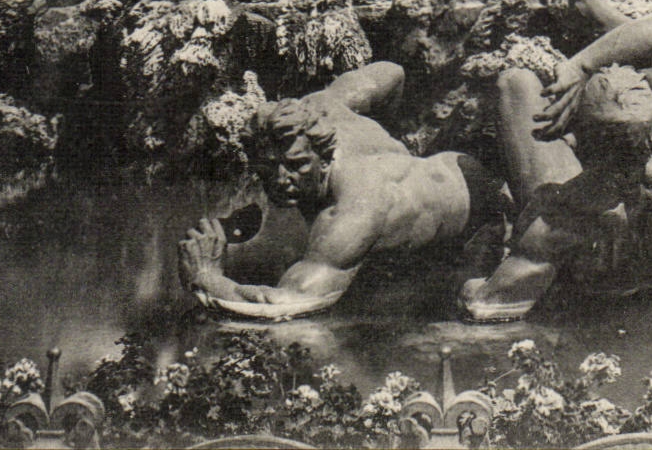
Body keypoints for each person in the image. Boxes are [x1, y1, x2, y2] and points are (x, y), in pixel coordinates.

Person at [459, 0, 652, 321]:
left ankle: (591, 14)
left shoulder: (561, 214)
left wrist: (475, 285)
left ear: (576, 139)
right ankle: (595, 9)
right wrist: (586, 62)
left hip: (591, 266)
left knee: (516, 84)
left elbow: (486, 306)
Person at [178, 62, 505, 320]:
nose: (280, 179)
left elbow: (285, 305)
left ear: (324, 155)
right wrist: (391, 145)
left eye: (296, 165)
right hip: (440, 172)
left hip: (477, 218)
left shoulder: (353, 213)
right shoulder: (322, 107)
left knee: (446, 309)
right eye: (267, 168)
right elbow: (391, 73)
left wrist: (208, 277)